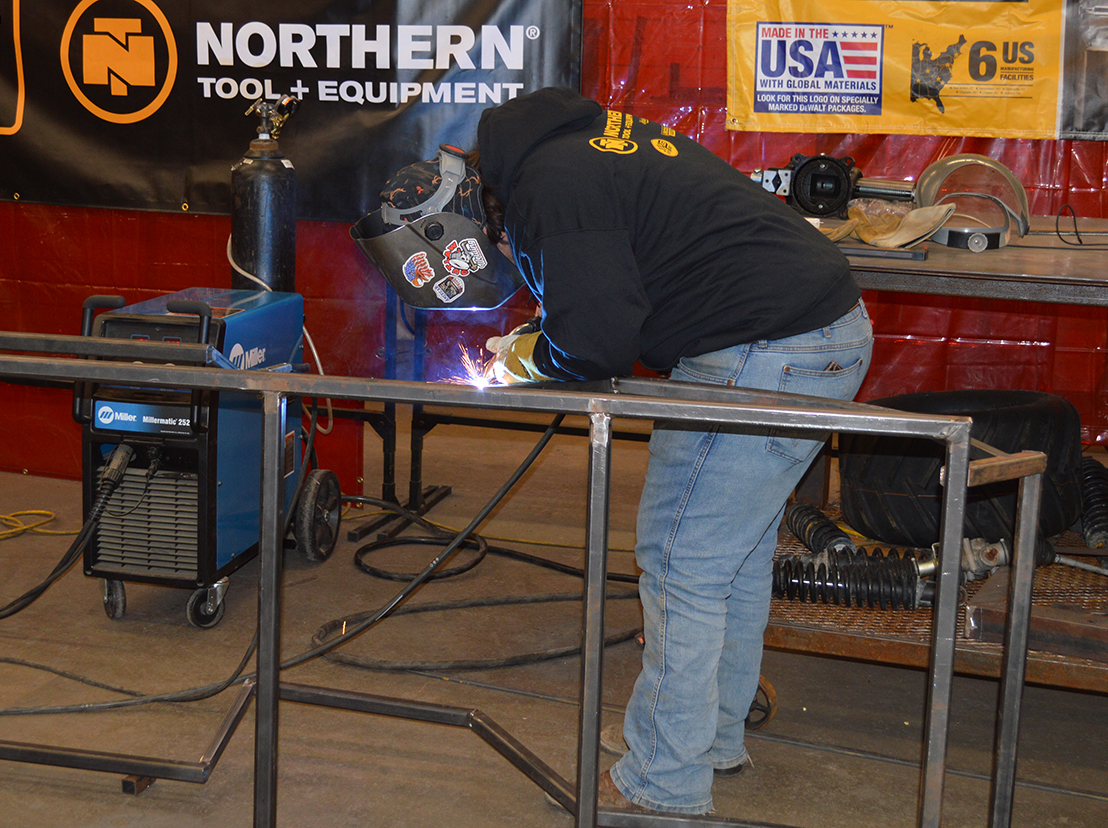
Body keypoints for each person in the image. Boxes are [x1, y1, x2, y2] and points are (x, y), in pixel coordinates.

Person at [362, 87, 873, 815]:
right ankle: (707, 737)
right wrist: (547, 331)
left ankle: (663, 782)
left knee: (683, 563)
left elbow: (598, 339)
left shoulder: (548, 184)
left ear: (466, 227)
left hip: (764, 347)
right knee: (734, 556)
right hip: (813, 332)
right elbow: (610, 275)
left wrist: (526, 358)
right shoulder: (574, 148)